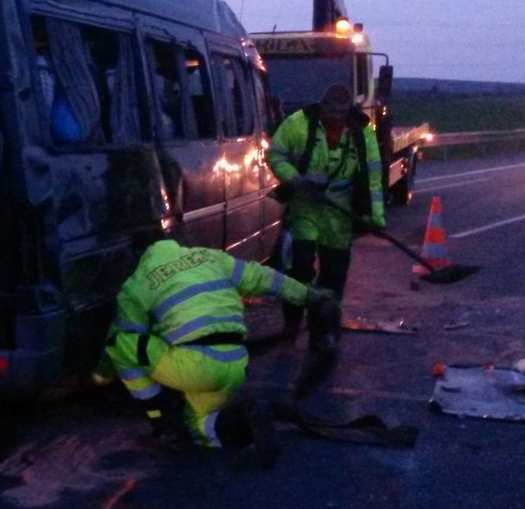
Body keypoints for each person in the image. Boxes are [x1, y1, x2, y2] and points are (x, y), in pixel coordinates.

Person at [97, 237, 339, 468]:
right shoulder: (210, 257)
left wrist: (102, 375)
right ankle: (250, 418)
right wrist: (312, 297)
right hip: (235, 363)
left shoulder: (137, 284)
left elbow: (126, 337)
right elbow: (265, 279)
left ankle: (160, 419)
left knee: (118, 343)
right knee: (199, 424)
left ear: (140, 257)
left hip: (195, 367)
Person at [266, 83, 384, 346]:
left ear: (348, 112)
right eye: (330, 113)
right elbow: (275, 154)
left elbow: (373, 178)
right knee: (300, 268)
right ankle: (292, 324)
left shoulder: (362, 133)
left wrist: (375, 217)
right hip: (305, 204)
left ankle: (325, 328)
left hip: (339, 211)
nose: (335, 119)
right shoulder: (298, 124)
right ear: (321, 108)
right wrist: (293, 179)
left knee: (334, 272)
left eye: (341, 114)